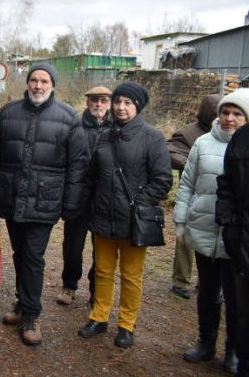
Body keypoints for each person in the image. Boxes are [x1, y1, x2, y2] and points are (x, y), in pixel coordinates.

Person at [0, 61, 87, 346]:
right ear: (27, 83)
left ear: (53, 85)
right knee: (20, 253)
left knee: (32, 256)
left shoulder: (69, 118)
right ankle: (23, 302)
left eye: (44, 81)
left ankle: (32, 314)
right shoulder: (8, 113)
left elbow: (77, 166)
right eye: (34, 80)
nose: (38, 86)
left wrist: (70, 204)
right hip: (11, 196)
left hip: (45, 201)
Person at [78, 81, 172, 348]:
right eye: (118, 101)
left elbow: (162, 180)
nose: (120, 107)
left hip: (134, 220)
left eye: (127, 103)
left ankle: (126, 324)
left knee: (131, 275)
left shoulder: (152, 137)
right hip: (102, 217)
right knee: (103, 272)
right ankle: (99, 317)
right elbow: (93, 175)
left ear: (138, 107)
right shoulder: (104, 135)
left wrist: (137, 204)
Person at [174, 90, 249, 373]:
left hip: (236, 238)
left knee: (236, 298)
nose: (229, 119)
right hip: (204, 228)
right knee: (207, 292)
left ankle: (234, 350)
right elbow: (187, 185)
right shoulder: (203, 143)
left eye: (237, 114)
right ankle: (206, 343)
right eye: (225, 112)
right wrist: (181, 222)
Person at [57, 86, 112, 306]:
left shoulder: (116, 129)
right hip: (78, 196)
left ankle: (96, 289)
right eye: (95, 100)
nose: (99, 104)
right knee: (72, 245)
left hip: (104, 199)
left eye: (104, 100)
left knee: (102, 249)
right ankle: (69, 284)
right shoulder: (75, 126)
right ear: (87, 102)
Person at [168, 94, 222, 299]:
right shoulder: (189, 134)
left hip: (221, 198)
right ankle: (180, 281)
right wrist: (191, 163)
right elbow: (171, 150)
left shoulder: (232, 133)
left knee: (216, 239)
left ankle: (209, 282)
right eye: (217, 113)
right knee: (186, 239)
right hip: (194, 195)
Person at [216, 98, 249, 377]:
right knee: (241, 310)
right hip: (243, 240)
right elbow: (226, 184)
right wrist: (230, 224)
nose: (230, 118)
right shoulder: (242, 139)